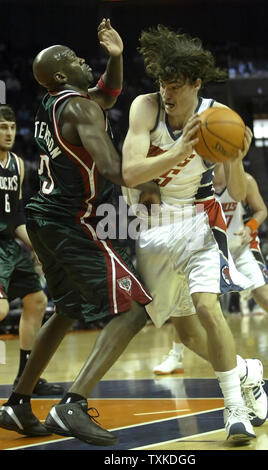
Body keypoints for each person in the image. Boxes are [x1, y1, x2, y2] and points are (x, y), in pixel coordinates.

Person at [0, 19, 157, 447]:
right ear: (61, 75)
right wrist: (156, 178)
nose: (83, 59)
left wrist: (117, 57)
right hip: (70, 222)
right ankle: (71, 405)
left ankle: (17, 402)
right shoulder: (80, 108)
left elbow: (107, 94)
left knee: (66, 307)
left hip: (45, 218)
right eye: (73, 58)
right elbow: (110, 167)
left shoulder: (55, 103)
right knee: (136, 308)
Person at [122, 24, 268, 442]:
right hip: (153, 227)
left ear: (196, 83)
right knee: (184, 334)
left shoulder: (215, 117)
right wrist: (179, 149)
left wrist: (236, 157)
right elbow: (130, 172)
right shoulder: (144, 109)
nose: (168, 93)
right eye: (163, 84)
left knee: (208, 306)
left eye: (177, 85)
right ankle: (245, 370)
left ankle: (234, 410)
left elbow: (235, 194)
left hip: (200, 219)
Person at [154, 166, 268, 374]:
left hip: (240, 248)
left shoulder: (244, 181)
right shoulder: (195, 182)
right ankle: (176, 356)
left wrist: (250, 227)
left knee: (264, 296)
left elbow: (262, 210)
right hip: (210, 250)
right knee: (187, 300)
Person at [0, 103, 63, 396]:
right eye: (2, 127)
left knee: (36, 300)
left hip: (8, 246)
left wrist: (38, 246)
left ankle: (26, 378)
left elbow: (16, 219)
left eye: (11, 127)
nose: (9, 132)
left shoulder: (19, 167)